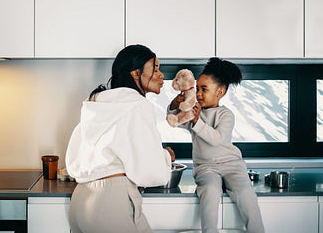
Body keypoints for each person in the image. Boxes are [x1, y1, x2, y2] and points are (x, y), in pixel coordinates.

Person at [65, 44, 175, 233]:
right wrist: (166, 156)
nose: (161, 74)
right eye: (155, 68)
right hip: (111, 200)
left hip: (81, 201)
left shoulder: (97, 102)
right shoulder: (137, 105)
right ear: (135, 73)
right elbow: (150, 170)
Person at [168, 57, 264, 233]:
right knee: (210, 193)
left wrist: (197, 122)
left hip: (232, 165)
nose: (198, 94)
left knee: (246, 194)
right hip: (205, 168)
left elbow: (217, 138)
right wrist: (174, 106)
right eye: (197, 88)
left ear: (220, 92)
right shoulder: (194, 112)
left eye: (204, 89)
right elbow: (177, 121)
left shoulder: (226, 114)